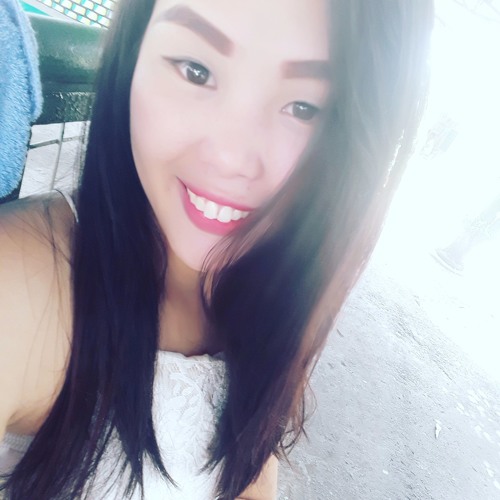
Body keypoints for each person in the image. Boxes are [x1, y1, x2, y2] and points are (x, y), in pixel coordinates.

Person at [0, 0, 434, 498]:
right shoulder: (22, 287)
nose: (230, 158)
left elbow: (251, 468)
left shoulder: (274, 281)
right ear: (135, 47)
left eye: (304, 108)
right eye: (196, 70)